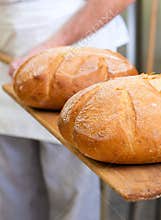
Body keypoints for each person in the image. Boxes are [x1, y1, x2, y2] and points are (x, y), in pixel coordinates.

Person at [0, 0, 134, 219]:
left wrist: (55, 45)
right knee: (12, 200)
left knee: (73, 200)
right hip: (6, 62)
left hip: (76, 66)